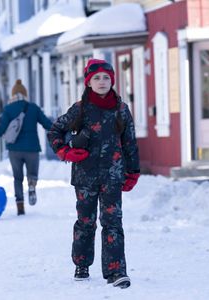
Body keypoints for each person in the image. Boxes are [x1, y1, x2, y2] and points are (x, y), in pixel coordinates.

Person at [47, 59, 140, 288]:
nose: (101, 82)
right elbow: (55, 131)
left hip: (112, 175)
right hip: (85, 177)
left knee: (113, 223)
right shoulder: (79, 108)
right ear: (88, 82)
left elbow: (129, 142)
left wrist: (133, 171)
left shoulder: (121, 109)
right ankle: (82, 263)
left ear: (112, 81)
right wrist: (66, 152)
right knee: (86, 222)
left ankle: (116, 271)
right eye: (96, 78)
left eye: (106, 77)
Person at [0, 79, 53, 216]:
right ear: (25, 94)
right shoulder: (33, 108)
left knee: (17, 178)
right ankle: (31, 186)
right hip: (32, 148)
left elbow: (0, 131)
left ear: (12, 95)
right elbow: (47, 124)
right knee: (32, 174)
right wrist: (62, 129)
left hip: (14, 150)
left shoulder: (8, 109)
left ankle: (20, 206)